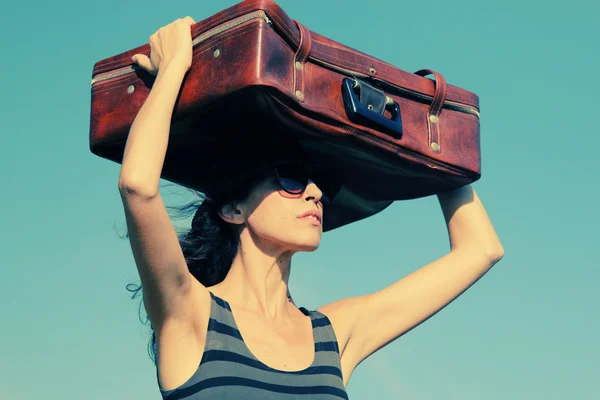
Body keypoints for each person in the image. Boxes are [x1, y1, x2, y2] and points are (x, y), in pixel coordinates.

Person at [118, 16, 504, 399]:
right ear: (233, 207)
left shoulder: (333, 335)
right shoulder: (190, 313)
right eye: (290, 179)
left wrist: (431, 138)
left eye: (322, 183)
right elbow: (138, 186)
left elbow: (481, 249)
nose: (315, 192)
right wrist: (173, 67)